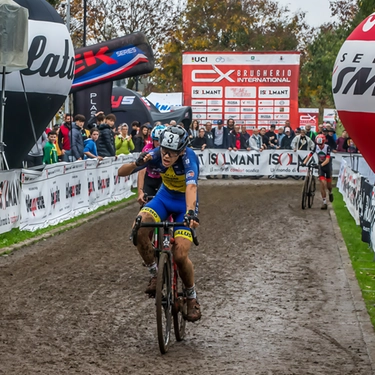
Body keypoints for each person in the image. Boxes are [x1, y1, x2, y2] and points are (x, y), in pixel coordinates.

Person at [118, 125, 202, 322]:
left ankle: (191, 297)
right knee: (139, 228)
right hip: (163, 198)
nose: (166, 156)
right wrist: (137, 162)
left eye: (172, 153)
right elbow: (122, 172)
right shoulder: (155, 154)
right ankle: (155, 273)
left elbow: (191, 187)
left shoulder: (190, 159)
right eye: (164, 150)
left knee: (180, 255)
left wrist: (190, 213)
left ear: (181, 151)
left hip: (184, 204)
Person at [137, 124, 166, 204]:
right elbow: (141, 170)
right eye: (156, 140)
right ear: (152, 139)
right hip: (149, 178)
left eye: (161, 140)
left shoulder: (169, 150)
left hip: (163, 179)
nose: (158, 143)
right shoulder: (147, 148)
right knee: (145, 205)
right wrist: (140, 192)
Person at [303, 134, 334, 210]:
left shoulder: (327, 147)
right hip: (321, 166)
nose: (320, 146)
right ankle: (324, 202)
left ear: (324, 143)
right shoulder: (315, 147)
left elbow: (327, 160)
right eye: (318, 144)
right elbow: (310, 154)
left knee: (329, 186)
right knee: (322, 183)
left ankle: (330, 192)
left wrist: (321, 165)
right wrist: (304, 162)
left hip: (327, 166)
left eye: (321, 145)